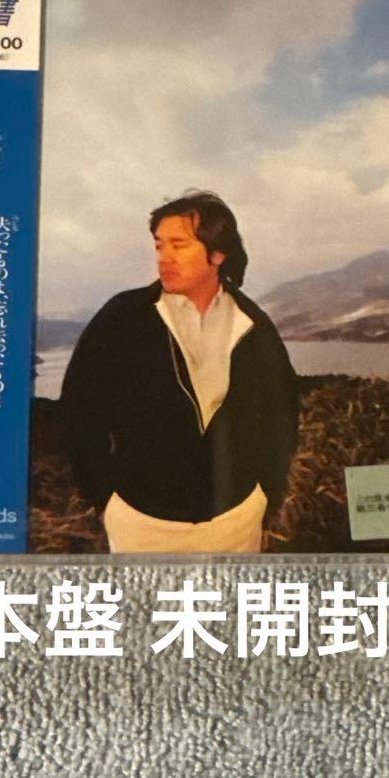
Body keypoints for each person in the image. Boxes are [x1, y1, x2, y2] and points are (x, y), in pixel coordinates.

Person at [60, 190, 298, 553]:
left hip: (236, 522)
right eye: (159, 245)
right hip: (142, 523)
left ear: (218, 253)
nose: (164, 257)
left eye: (179, 245)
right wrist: (105, 499)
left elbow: (282, 414)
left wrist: (265, 494)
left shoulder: (252, 323)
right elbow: (79, 410)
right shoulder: (123, 317)